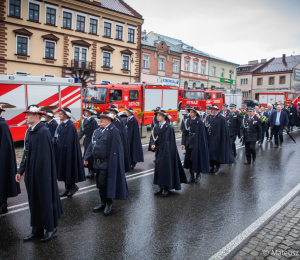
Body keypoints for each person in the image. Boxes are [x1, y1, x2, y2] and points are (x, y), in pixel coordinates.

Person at [16, 105, 62, 242]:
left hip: (41, 175)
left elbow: (46, 158)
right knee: (34, 201)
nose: (26, 117)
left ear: (37, 116)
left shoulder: (43, 132)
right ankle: (36, 229)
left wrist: (45, 177)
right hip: (31, 173)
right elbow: (26, 153)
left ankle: (50, 228)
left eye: (28, 114)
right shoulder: (30, 131)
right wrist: (21, 170)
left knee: (44, 200)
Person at [84, 111, 128, 216]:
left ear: (109, 120)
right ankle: (103, 202)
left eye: (103, 118)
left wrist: (114, 163)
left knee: (103, 183)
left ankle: (108, 203)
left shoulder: (113, 131)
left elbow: (117, 149)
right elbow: (91, 145)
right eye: (100, 118)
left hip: (107, 163)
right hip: (97, 163)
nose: (100, 120)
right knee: (99, 184)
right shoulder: (97, 131)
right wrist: (86, 157)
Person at [150, 109, 187, 196]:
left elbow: (171, 142)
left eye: (159, 115)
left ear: (164, 117)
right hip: (159, 151)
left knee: (165, 169)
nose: (157, 116)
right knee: (159, 168)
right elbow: (153, 138)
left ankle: (166, 188)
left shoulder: (169, 128)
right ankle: (161, 187)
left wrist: (168, 153)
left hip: (167, 152)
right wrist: (152, 144)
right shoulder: (156, 127)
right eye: (157, 115)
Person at [53, 107, 86, 197]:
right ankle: (67, 188)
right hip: (61, 151)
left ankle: (72, 186)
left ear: (66, 115)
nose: (59, 115)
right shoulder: (62, 125)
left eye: (60, 114)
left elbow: (69, 141)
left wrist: (66, 151)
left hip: (67, 152)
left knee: (67, 169)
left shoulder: (70, 126)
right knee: (63, 170)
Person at [0, 103, 20, 215]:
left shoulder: (3, 125)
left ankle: (3, 205)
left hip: (2, 160)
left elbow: (5, 146)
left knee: (2, 182)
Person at [181, 107, 210, 182]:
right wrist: (183, 143)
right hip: (189, 143)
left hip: (196, 143)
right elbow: (184, 132)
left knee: (195, 159)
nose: (190, 113)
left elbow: (202, 134)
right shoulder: (187, 120)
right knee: (189, 160)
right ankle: (191, 176)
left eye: (192, 112)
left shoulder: (199, 122)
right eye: (190, 112)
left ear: (195, 113)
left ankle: (198, 174)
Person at [204, 104, 235, 173]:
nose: (211, 111)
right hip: (209, 138)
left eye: (213, 109)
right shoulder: (208, 117)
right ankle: (211, 166)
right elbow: (205, 127)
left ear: (216, 110)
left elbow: (224, 130)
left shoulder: (221, 118)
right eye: (211, 109)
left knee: (217, 153)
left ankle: (217, 165)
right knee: (210, 153)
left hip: (218, 139)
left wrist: (222, 139)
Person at [106, 105, 131, 173]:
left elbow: (121, 134)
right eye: (109, 111)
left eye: (111, 111)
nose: (109, 112)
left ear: (114, 112)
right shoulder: (110, 119)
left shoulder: (119, 120)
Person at [78, 107, 99, 178]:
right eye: (85, 111)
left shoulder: (93, 121)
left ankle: (92, 171)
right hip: (87, 139)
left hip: (91, 139)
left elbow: (94, 131)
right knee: (87, 155)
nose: (85, 112)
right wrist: (77, 139)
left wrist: (93, 140)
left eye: (86, 111)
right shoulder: (85, 120)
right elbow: (82, 131)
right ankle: (90, 170)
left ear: (90, 113)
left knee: (91, 156)